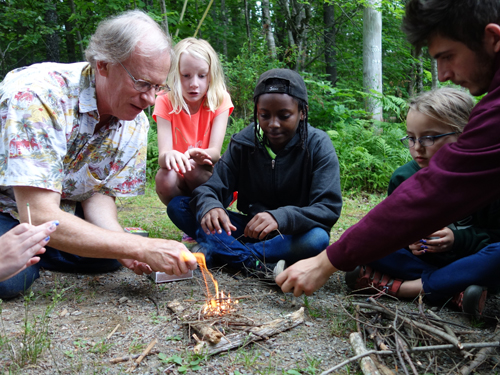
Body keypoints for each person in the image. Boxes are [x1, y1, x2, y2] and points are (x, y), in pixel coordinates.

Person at [277, 0, 500, 312]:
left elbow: (434, 194)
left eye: (447, 56)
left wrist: (325, 262)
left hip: (474, 252)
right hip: (429, 258)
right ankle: (454, 287)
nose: (444, 73)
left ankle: (416, 288)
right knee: (374, 245)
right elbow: (408, 210)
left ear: (493, 38)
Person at [0, 10, 197, 299]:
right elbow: (39, 214)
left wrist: (122, 245)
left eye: (158, 86)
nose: (150, 99)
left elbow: (98, 193)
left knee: (109, 255)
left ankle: (49, 244)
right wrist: (136, 246)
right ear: (103, 65)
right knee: (13, 278)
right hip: (11, 203)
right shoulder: (37, 96)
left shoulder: (134, 120)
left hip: (49, 208)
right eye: (142, 83)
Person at [167, 69, 342, 277]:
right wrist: (211, 206)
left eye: (284, 116)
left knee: (317, 239)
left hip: (289, 235)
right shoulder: (245, 142)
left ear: (302, 112)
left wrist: (280, 217)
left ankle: (224, 253)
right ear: (256, 112)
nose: (273, 124)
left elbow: (328, 209)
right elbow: (211, 188)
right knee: (179, 207)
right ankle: (253, 263)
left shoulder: (318, 145)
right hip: (249, 229)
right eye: (264, 115)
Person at [345, 88, 500, 316]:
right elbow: (387, 231)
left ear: (465, 134)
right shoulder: (403, 178)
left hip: (469, 260)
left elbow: (496, 236)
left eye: (428, 138)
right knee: (363, 240)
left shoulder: (487, 178)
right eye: (411, 137)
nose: (417, 147)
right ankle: (453, 289)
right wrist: (409, 242)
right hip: (424, 261)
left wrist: (458, 239)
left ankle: (404, 288)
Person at [153, 38, 234, 206]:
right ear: (176, 74)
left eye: (202, 76)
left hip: (208, 176)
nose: (194, 84)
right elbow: (163, 156)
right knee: (164, 177)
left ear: (211, 76)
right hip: (179, 176)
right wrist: (169, 155)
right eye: (186, 76)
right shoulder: (164, 101)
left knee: (192, 167)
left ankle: (209, 212)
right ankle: (186, 220)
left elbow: (215, 154)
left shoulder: (220, 99)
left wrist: (197, 155)